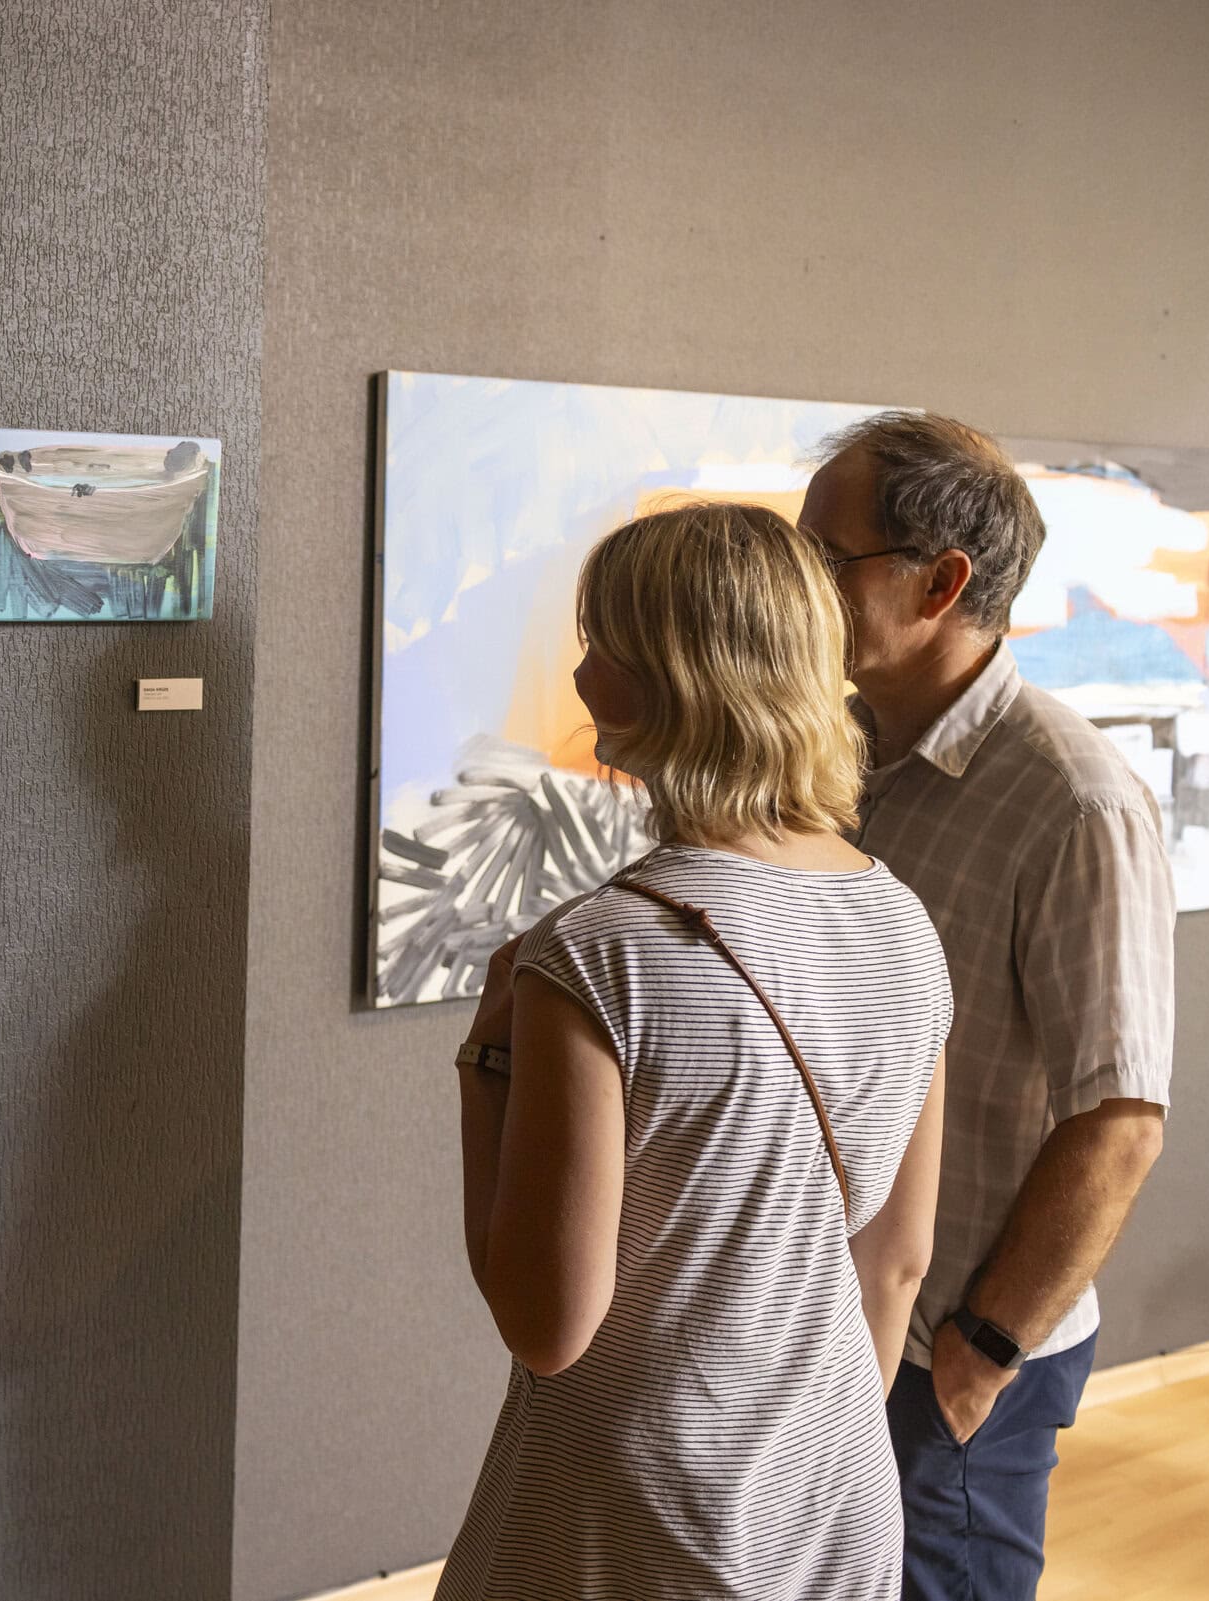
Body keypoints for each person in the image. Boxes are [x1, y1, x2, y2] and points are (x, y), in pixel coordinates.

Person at [435, 502, 951, 1599]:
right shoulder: (904, 922)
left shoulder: (599, 950)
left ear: (667, 675)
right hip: (836, 1487)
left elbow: (547, 1325)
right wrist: (796, 1453)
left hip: (636, 1509)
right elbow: (895, 1263)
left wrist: (485, 1063)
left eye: (598, 643)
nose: (580, 674)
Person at [800, 412, 1171, 1601]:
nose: (794, 581)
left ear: (941, 582)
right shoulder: (839, 754)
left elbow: (1120, 1123)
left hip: (948, 1354)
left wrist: (984, 1347)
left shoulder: (1075, 802)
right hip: (835, 1317)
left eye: (825, 555)